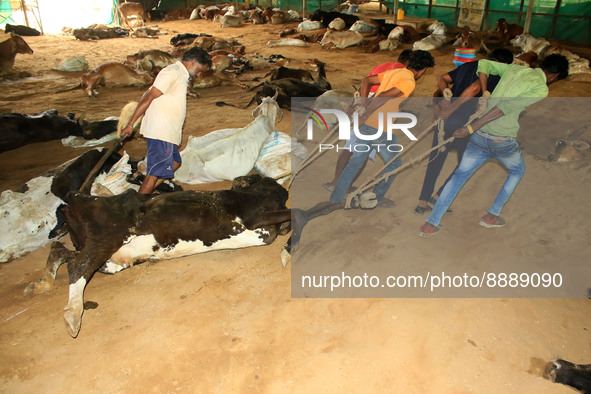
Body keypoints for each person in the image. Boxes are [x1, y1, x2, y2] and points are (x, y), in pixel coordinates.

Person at [419, 54, 569, 236]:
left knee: (459, 176)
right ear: (555, 76)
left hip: (480, 137)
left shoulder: (514, 69)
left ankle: (430, 225)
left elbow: (482, 64)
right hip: (501, 139)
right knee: (517, 171)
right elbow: (504, 108)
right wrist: (472, 127)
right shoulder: (540, 88)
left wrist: (485, 91)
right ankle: (491, 216)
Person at [329, 50, 436, 207]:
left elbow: (366, 81)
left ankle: (335, 198)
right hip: (379, 127)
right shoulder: (409, 81)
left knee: (356, 160)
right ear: (423, 70)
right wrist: (365, 114)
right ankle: (376, 198)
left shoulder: (396, 72)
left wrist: (363, 105)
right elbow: (382, 96)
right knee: (394, 163)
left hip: (369, 124)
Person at [414, 48, 514, 215]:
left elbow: (443, 78)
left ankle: (422, 202)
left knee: (436, 160)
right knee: (465, 163)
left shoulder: (469, 65)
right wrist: (451, 108)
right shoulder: (494, 72)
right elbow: (475, 88)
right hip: (464, 123)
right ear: (503, 64)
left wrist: (446, 100)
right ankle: (438, 197)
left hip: (445, 121)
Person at [121, 47, 212, 194]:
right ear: (193, 62)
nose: (199, 74)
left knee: (175, 162)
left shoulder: (180, 75)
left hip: (167, 132)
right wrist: (130, 124)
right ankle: (139, 204)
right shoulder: (172, 72)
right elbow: (148, 96)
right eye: (200, 70)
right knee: (153, 175)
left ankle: (147, 192)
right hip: (161, 131)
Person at [323, 49, 412, 193]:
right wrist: (366, 110)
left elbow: (364, 83)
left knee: (350, 146)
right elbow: (382, 96)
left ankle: (335, 182)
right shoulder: (403, 73)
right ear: (409, 63)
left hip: (362, 102)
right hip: (372, 108)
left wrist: (354, 103)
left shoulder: (382, 66)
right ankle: (343, 187)